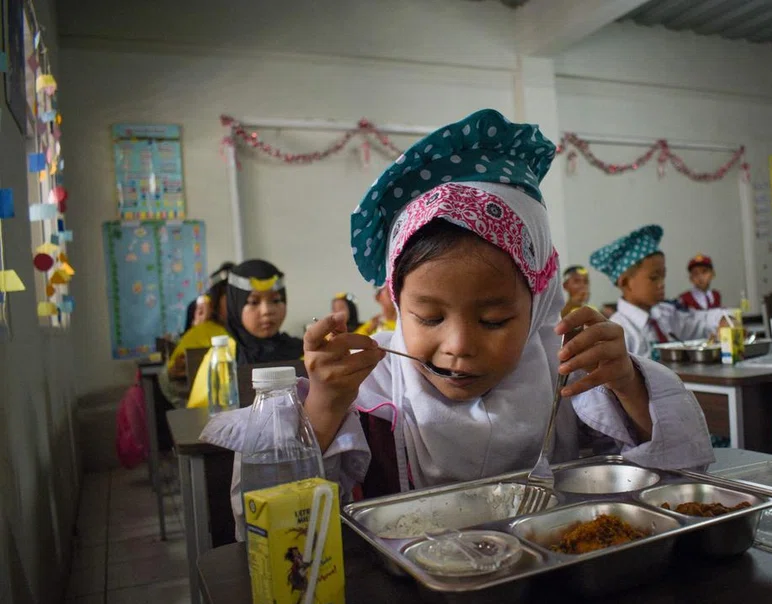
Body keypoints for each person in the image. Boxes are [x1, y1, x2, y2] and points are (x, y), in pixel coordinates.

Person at [200, 110, 713, 524]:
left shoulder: (570, 373)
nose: (459, 345)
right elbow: (268, 521)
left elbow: (680, 473)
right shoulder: (369, 388)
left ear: (537, 305)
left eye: (493, 320)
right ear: (398, 305)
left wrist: (626, 383)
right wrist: (327, 407)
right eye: (427, 317)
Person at [590, 225, 726, 359]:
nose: (662, 284)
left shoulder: (665, 315)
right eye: (654, 278)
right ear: (625, 282)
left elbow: (699, 321)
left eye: (663, 276)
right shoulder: (619, 333)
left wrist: (722, 319)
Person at [186, 260, 303, 408]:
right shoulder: (224, 356)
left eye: (276, 300)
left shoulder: (301, 350)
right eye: (254, 302)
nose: (267, 310)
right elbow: (201, 417)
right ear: (235, 305)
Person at [167, 261, 234, 378]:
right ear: (216, 301)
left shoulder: (253, 333)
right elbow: (172, 375)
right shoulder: (201, 334)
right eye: (232, 297)